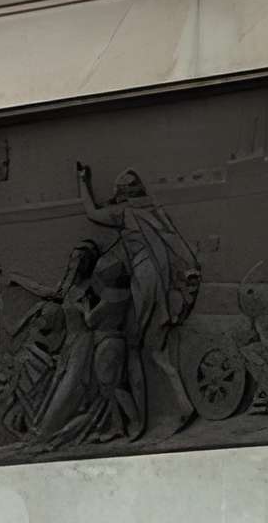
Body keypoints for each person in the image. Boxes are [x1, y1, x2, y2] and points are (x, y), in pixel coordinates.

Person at [75, 159, 202, 431]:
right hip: (166, 282)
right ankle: (182, 405)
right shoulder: (157, 213)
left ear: (122, 194)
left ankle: (136, 421)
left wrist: (82, 181)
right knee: (158, 351)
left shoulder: (125, 214)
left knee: (134, 346)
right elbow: (182, 250)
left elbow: (91, 212)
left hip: (146, 280)